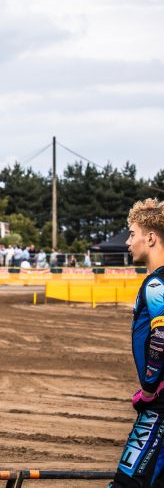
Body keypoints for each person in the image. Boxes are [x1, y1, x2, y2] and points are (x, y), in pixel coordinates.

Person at [111, 199, 164, 487]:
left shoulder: (155, 284)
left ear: (151, 238)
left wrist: (148, 389)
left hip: (159, 405)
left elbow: (161, 335)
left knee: (127, 483)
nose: (128, 242)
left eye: (132, 234)